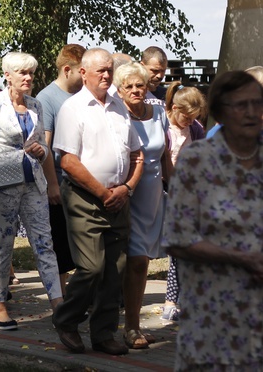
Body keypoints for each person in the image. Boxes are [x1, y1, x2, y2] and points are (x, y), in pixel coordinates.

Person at [163, 70, 263, 370]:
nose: (250, 113)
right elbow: (177, 239)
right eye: (240, 105)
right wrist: (243, 259)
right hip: (214, 312)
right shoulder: (198, 160)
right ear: (220, 112)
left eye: (257, 104)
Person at [51, 48, 143, 356]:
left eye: (109, 70)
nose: (106, 75)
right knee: (91, 268)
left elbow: (136, 154)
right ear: (83, 73)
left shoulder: (119, 106)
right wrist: (104, 193)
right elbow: (68, 161)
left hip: (119, 198)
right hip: (85, 198)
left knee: (115, 271)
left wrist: (127, 188)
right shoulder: (73, 108)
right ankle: (66, 320)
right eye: (100, 70)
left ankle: (103, 334)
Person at [0, 52, 63, 330]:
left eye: (31, 73)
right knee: (4, 246)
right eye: (22, 73)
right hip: (2, 185)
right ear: (8, 76)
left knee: (45, 243)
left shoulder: (36, 105)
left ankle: (58, 305)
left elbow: (42, 146)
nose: (28, 78)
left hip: (33, 183)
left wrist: (41, 150)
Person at [114, 62, 170, 349]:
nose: (136, 90)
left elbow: (165, 155)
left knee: (142, 262)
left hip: (153, 195)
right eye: (130, 86)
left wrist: (174, 188)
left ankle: (131, 324)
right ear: (120, 90)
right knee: (132, 261)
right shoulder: (115, 114)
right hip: (124, 193)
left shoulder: (159, 112)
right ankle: (127, 327)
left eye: (140, 85)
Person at [36, 44, 85, 293]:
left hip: (81, 181)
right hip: (59, 182)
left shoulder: (82, 96)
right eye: (81, 71)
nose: (85, 76)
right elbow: (44, 146)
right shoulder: (47, 99)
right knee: (61, 245)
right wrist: (52, 184)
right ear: (67, 70)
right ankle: (61, 298)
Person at [160, 81, 207, 323]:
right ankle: (171, 300)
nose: (190, 122)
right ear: (175, 107)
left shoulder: (196, 129)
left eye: (194, 118)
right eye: (187, 117)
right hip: (163, 190)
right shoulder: (162, 124)